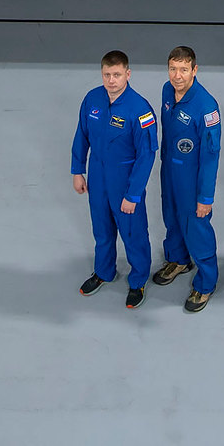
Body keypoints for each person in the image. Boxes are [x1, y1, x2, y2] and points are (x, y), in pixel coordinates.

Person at [72, 50, 158, 308]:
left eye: (117, 74)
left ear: (128, 74)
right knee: (102, 229)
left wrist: (133, 194)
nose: (111, 80)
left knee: (133, 233)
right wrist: (78, 170)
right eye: (107, 75)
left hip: (125, 179)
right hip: (97, 176)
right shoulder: (92, 100)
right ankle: (103, 271)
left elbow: (147, 156)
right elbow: (81, 136)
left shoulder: (140, 110)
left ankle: (138, 279)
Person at [151, 45, 222, 312]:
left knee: (197, 226)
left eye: (183, 69)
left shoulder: (206, 107)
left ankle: (206, 282)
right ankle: (179, 260)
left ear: (194, 70)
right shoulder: (167, 91)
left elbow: (211, 157)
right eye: (173, 68)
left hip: (193, 178)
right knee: (172, 218)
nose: (177, 75)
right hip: (170, 170)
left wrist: (205, 197)